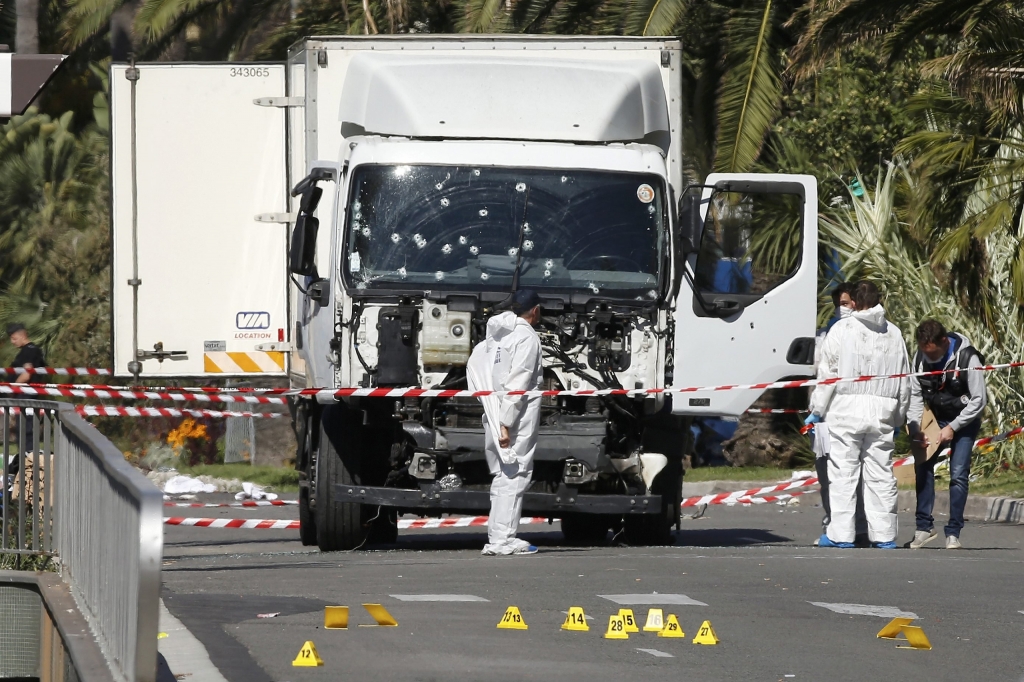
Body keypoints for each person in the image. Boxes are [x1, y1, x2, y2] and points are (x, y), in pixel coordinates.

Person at [807, 281, 910, 549]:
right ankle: (885, 535)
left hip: (846, 410)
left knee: (843, 474)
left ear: (853, 301)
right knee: (881, 474)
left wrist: (817, 410)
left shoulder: (842, 329)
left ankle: (841, 534)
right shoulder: (894, 333)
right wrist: (899, 417)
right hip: (883, 411)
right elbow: (904, 380)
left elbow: (828, 374)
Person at [466, 289, 544, 556]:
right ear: (534, 310)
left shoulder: (496, 336)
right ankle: (504, 540)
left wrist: (496, 415)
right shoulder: (526, 337)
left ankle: (498, 536)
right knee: (516, 473)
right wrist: (506, 424)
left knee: (502, 474)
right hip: (515, 417)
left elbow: (477, 369)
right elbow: (519, 382)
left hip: (493, 409)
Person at [906, 320, 986, 550]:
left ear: (944, 342)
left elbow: (979, 400)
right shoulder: (919, 358)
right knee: (922, 465)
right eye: (924, 352)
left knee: (958, 474)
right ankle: (923, 527)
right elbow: (914, 396)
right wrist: (915, 429)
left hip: (964, 419)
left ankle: (953, 532)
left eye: (933, 354)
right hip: (935, 418)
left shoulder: (968, 358)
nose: (929, 358)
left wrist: (954, 426)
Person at [6, 323, 45, 458]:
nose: (12, 342)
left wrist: (14, 387)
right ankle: (25, 457)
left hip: (25, 393)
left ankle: (28, 458)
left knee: (25, 428)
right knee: (22, 427)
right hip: (22, 393)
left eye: (14, 338)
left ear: (23, 335)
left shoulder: (30, 350)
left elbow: (26, 374)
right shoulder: (25, 351)